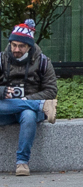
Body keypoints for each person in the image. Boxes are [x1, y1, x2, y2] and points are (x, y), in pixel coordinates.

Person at [0, 20, 57, 176]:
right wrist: (2, 91)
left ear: (29, 46)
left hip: (28, 109)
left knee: (28, 115)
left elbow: (51, 90)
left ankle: (22, 162)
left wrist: (27, 99)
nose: (16, 49)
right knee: (31, 109)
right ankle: (40, 105)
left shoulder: (43, 62)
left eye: (21, 46)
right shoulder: (1, 59)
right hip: (6, 109)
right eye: (14, 45)